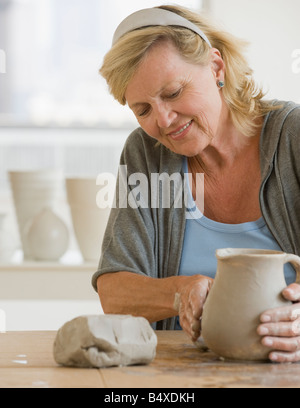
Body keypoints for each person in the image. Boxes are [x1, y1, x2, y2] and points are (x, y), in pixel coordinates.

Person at [92, 5, 300, 363]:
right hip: (181, 373)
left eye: (172, 92)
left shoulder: (291, 138)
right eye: (143, 109)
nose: (164, 120)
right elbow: (115, 292)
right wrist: (180, 292)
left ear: (216, 67)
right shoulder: (150, 156)